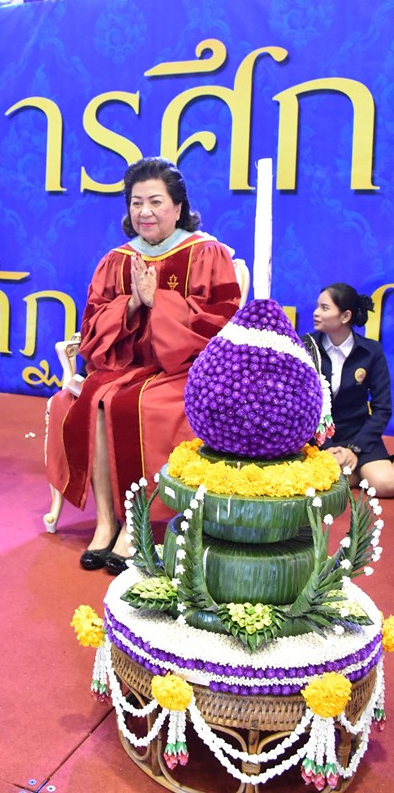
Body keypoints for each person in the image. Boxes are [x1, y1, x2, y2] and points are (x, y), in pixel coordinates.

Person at [45, 157, 241, 573]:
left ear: (178, 206)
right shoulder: (117, 259)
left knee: (138, 405)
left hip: (183, 369)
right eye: (136, 203)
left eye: (155, 201)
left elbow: (220, 322)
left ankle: (136, 524)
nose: (145, 212)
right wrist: (132, 303)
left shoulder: (206, 252)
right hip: (124, 365)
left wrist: (158, 301)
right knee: (92, 399)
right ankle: (106, 522)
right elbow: (92, 324)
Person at [309, 282, 394, 496]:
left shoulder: (371, 351)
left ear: (345, 316)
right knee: (317, 483)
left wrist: (354, 449)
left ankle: (351, 469)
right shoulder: (306, 348)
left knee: (385, 484)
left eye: (324, 308)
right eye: (317, 306)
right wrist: (327, 447)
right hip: (318, 438)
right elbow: (302, 407)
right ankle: (351, 473)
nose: (316, 313)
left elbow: (383, 408)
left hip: (359, 436)